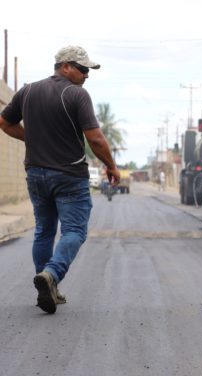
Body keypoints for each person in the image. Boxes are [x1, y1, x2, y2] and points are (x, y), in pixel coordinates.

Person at [0, 46, 120, 314]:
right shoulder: (76, 94)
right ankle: (52, 274)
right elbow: (96, 138)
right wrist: (111, 166)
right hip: (69, 176)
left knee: (43, 230)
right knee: (75, 231)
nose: (87, 75)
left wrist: (31, 139)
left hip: (35, 174)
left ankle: (48, 285)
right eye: (83, 69)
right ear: (65, 66)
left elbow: (5, 123)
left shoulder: (28, 90)